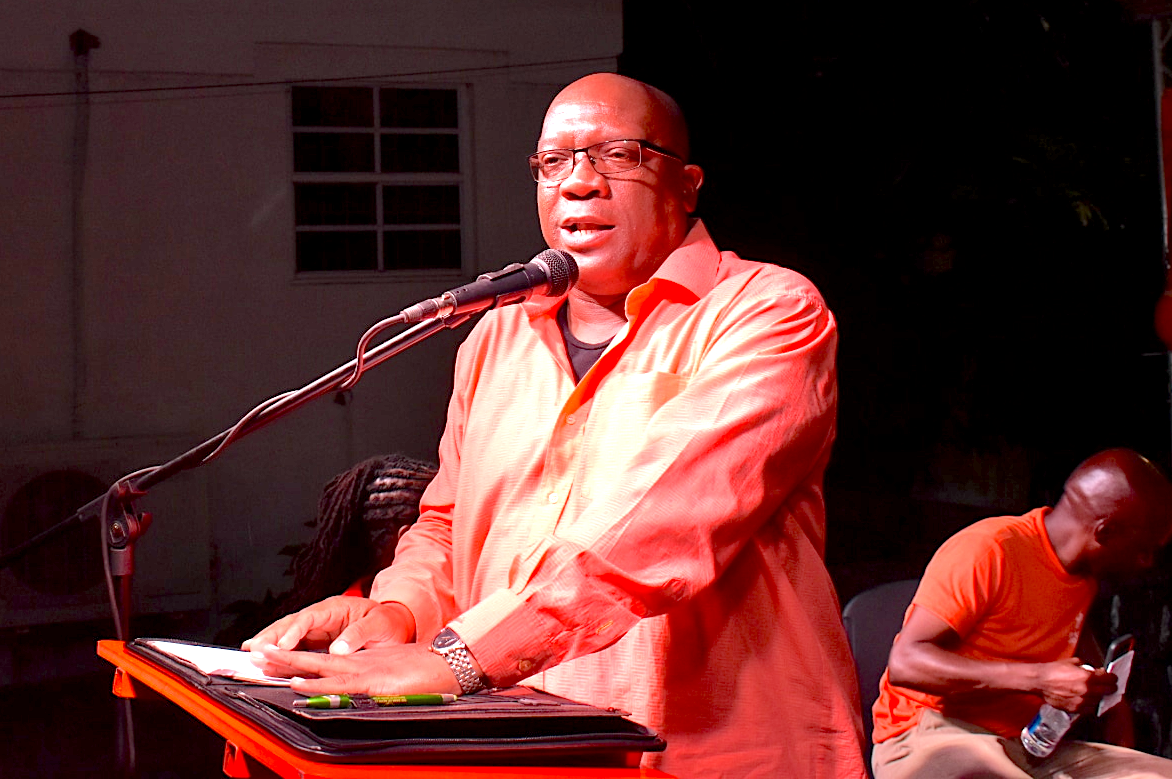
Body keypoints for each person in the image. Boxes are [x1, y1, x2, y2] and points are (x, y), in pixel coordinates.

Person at [244, 72, 867, 778]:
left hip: (720, 754)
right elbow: (449, 525)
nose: (579, 181)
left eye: (618, 156)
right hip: (532, 745)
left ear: (687, 186)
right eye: (554, 161)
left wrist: (459, 657)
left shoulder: (767, 312)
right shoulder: (496, 336)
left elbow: (659, 525)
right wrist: (394, 613)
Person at [870, 448, 1172, 779]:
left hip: (1023, 747)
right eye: (1145, 549)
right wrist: (1039, 679)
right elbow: (906, 663)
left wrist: (1108, 708)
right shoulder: (991, 548)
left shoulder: (1082, 578)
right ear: (1105, 532)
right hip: (929, 735)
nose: (1148, 562)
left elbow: (1101, 689)